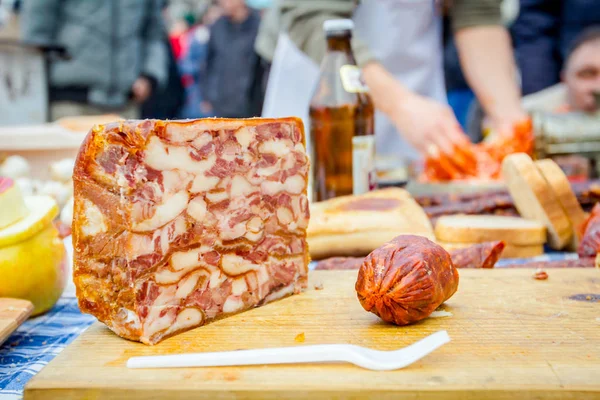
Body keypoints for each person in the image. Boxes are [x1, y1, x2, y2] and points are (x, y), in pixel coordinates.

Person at [256, 0, 527, 166]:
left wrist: (512, 124)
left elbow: (478, 14)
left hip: (418, 100)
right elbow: (314, 17)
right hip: (326, 93)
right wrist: (401, 104)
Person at [20, 0, 167, 120]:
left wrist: (150, 75)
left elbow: (155, 33)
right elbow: (36, 32)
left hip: (125, 102)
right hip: (70, 101)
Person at [203, 0, 265, 118]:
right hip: (221, 104)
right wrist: (207, 95)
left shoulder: (258, 25)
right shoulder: (217, 27)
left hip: (250, 105)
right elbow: (209, 63)